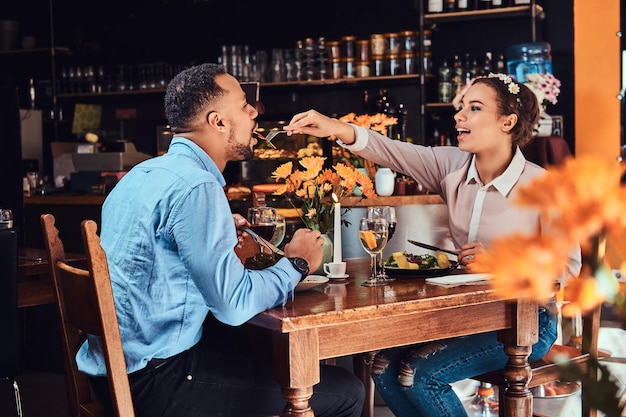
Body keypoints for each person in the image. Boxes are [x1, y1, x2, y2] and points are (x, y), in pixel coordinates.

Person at [283, 72, 582, 417]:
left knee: (419, 376)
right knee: (382, 366)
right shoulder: (451, 165)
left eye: (475, 108)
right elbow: (392, 151)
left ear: (507, 121)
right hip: (465, 315)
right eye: (462, 107)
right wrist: (334, 126)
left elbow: (568, 272)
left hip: (526, 321)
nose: (459, 116)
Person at [82, 63, 365, 417]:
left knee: (260, 356)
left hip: (113, 372)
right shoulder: (197, 186)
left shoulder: (141, 174)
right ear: (217, 121)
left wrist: (212, 231)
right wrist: (297, 263)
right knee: (346, 391)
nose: (254, 112)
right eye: (245, 104)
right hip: (157, 381)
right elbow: (231, 305)